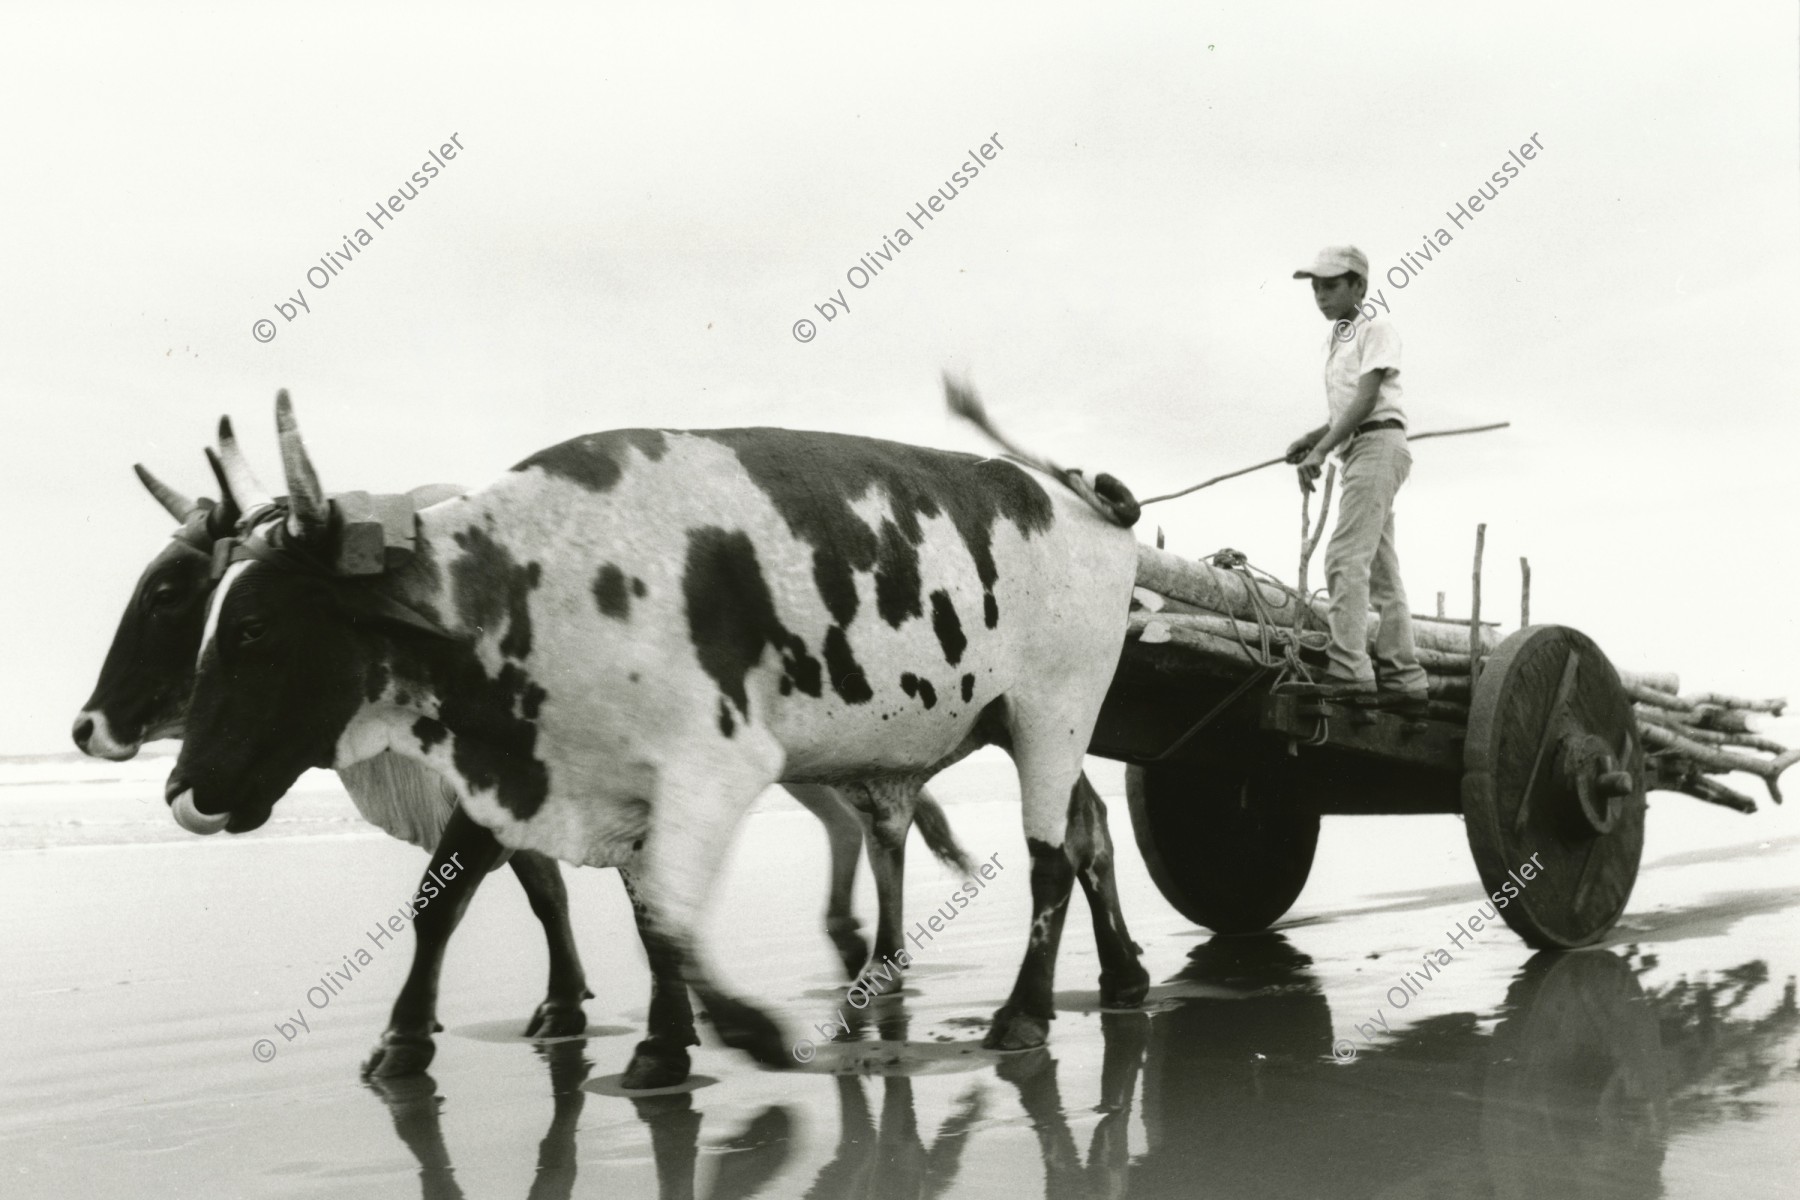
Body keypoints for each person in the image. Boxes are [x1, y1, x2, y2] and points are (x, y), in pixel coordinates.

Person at [1282, 245, 1429, 713]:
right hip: (1362, 448)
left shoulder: (1376, 327)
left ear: (1359, 287)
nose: (1320, 296)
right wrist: (1312, 438)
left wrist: (1324, 450)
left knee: (1344, 559)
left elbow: (1366, 402)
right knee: (1382, 572)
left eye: (1331, 286)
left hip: (1378, 446)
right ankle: (1405, 680)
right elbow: (1345, 412)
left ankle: (1350, 671)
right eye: (1315, 288)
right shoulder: (1339, 340)